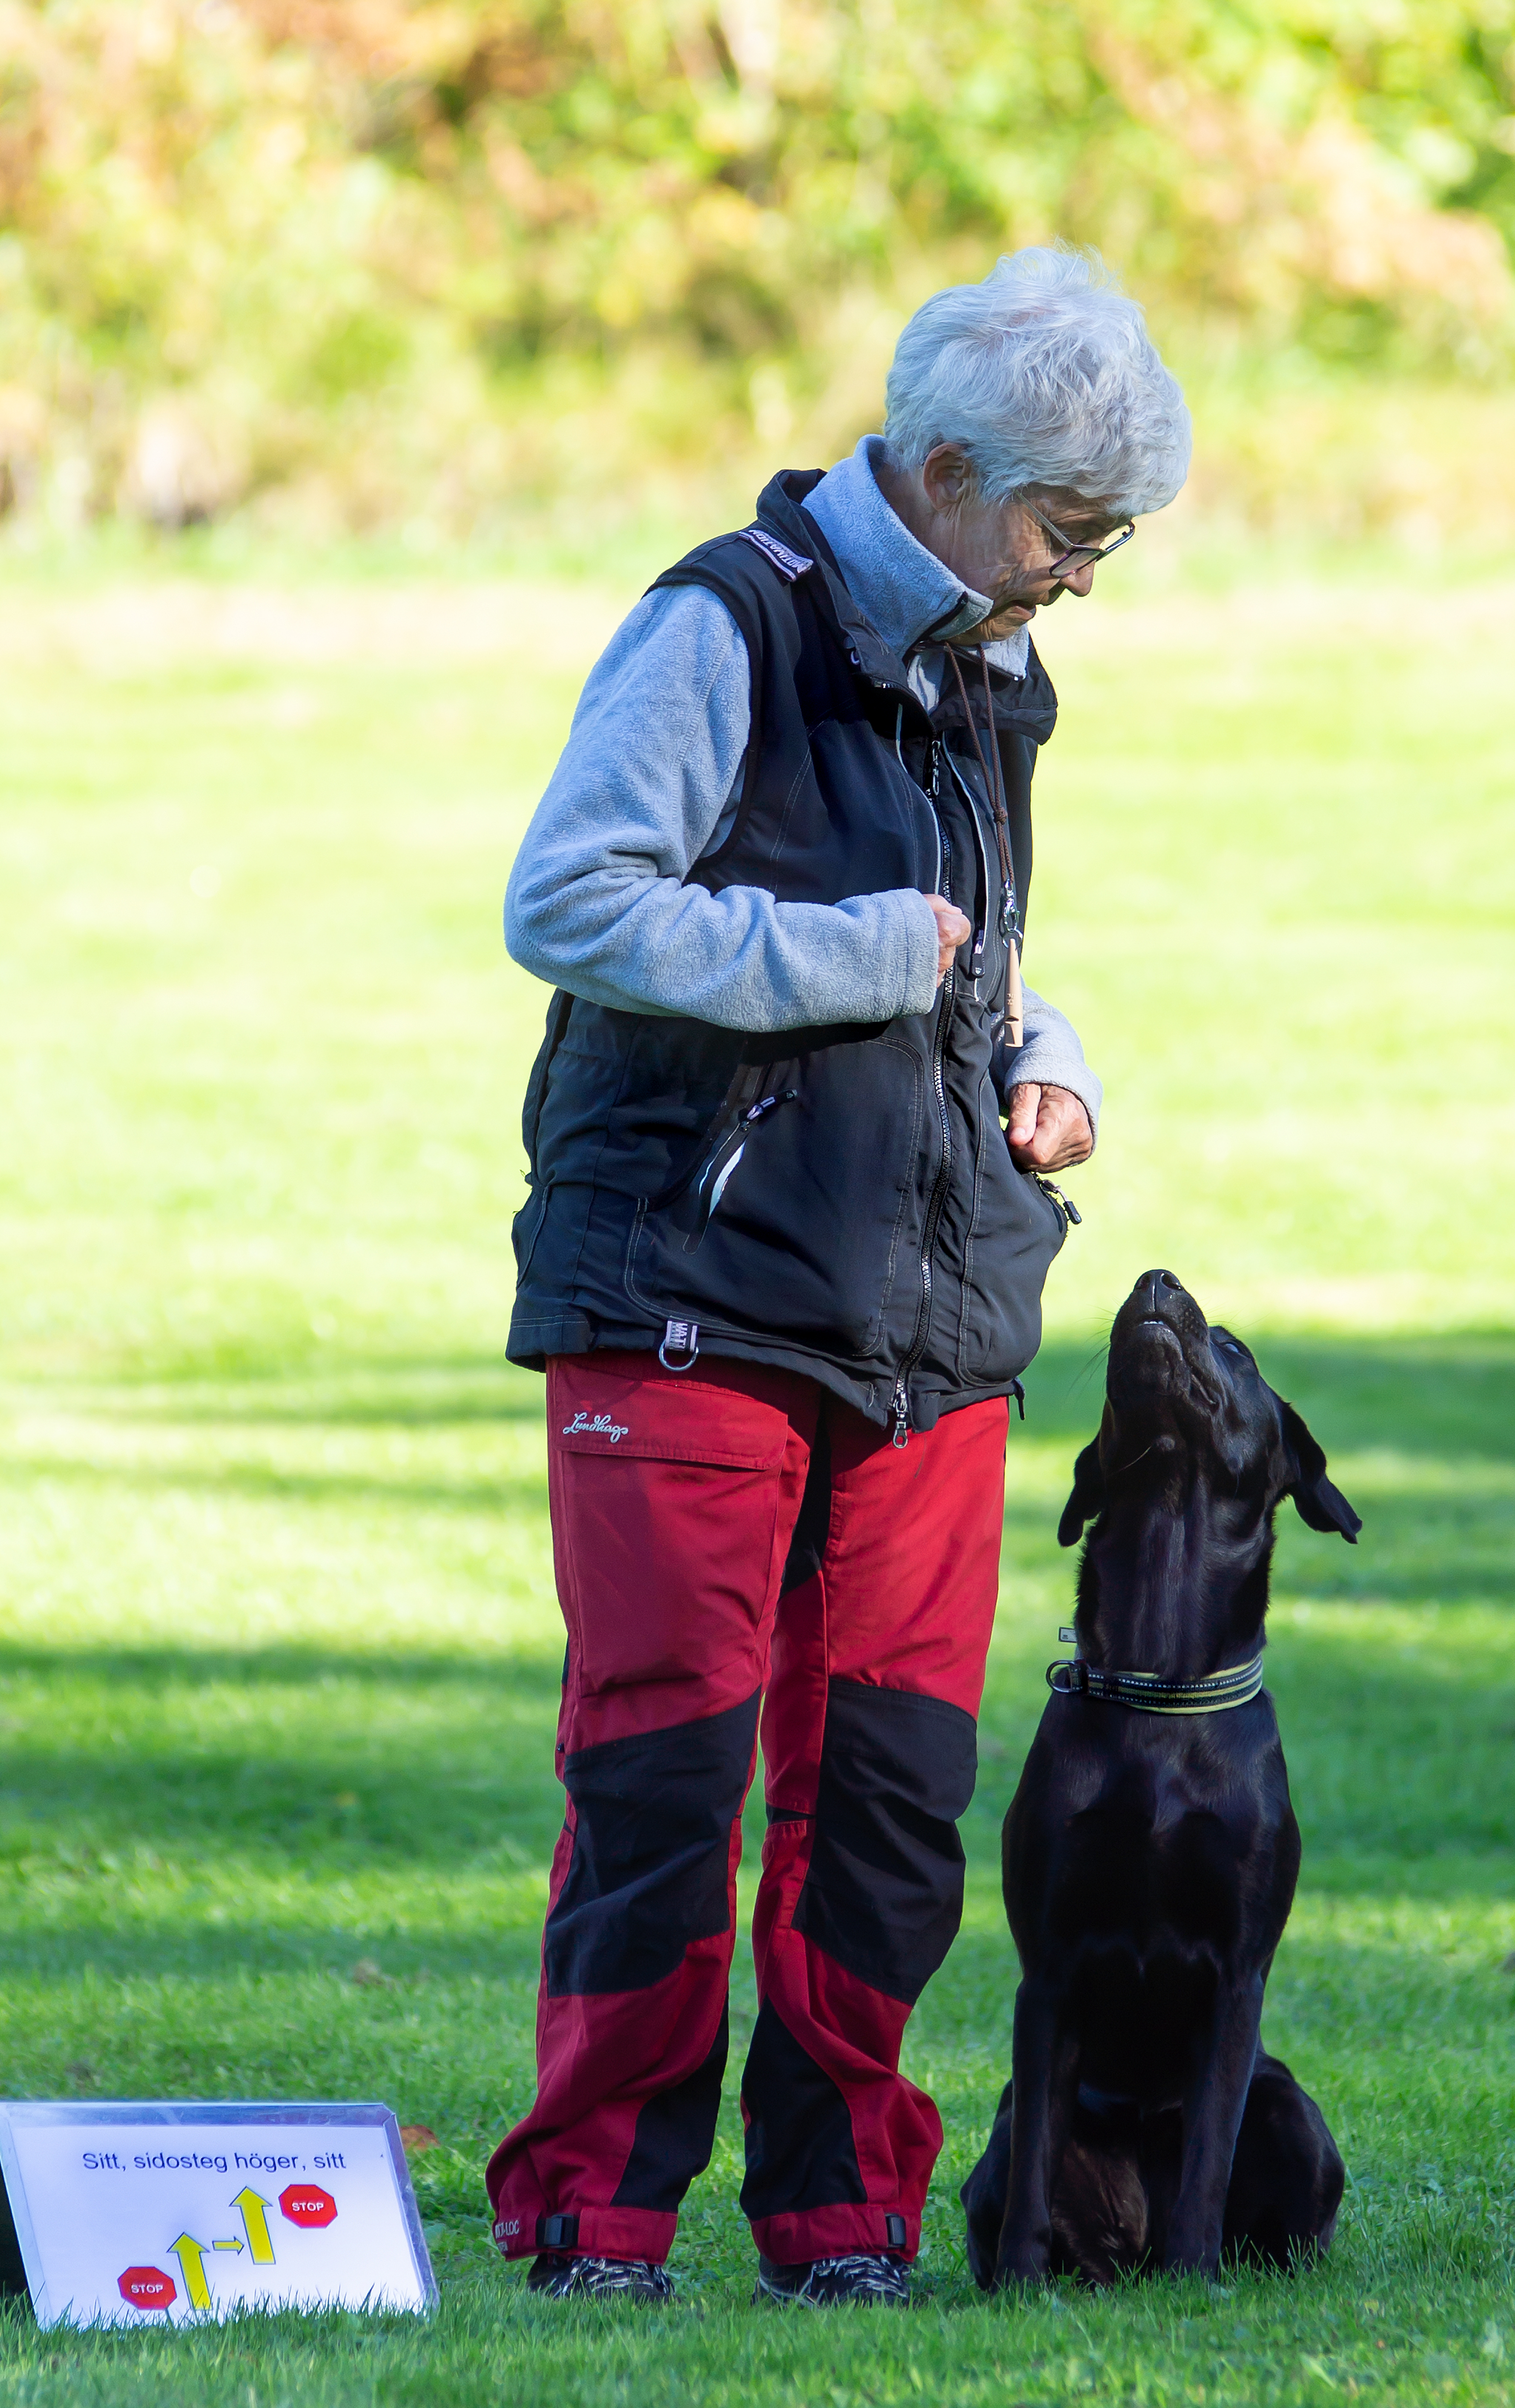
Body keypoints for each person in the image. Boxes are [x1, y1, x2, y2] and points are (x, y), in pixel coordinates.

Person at [486, 246, 1191, 2307]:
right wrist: (871, 959)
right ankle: (596, 2219)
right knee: (667, 1766)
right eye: (1072, 531)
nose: (1083, 577)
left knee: (889, 1798)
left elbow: (976, 939)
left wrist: (1038, 1054)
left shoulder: (989, 660)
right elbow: (573, 899)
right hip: (689, 1292)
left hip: (934, 1318)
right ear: (953, 467)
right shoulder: (721, 626)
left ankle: (845, 2221)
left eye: (1111, 540)